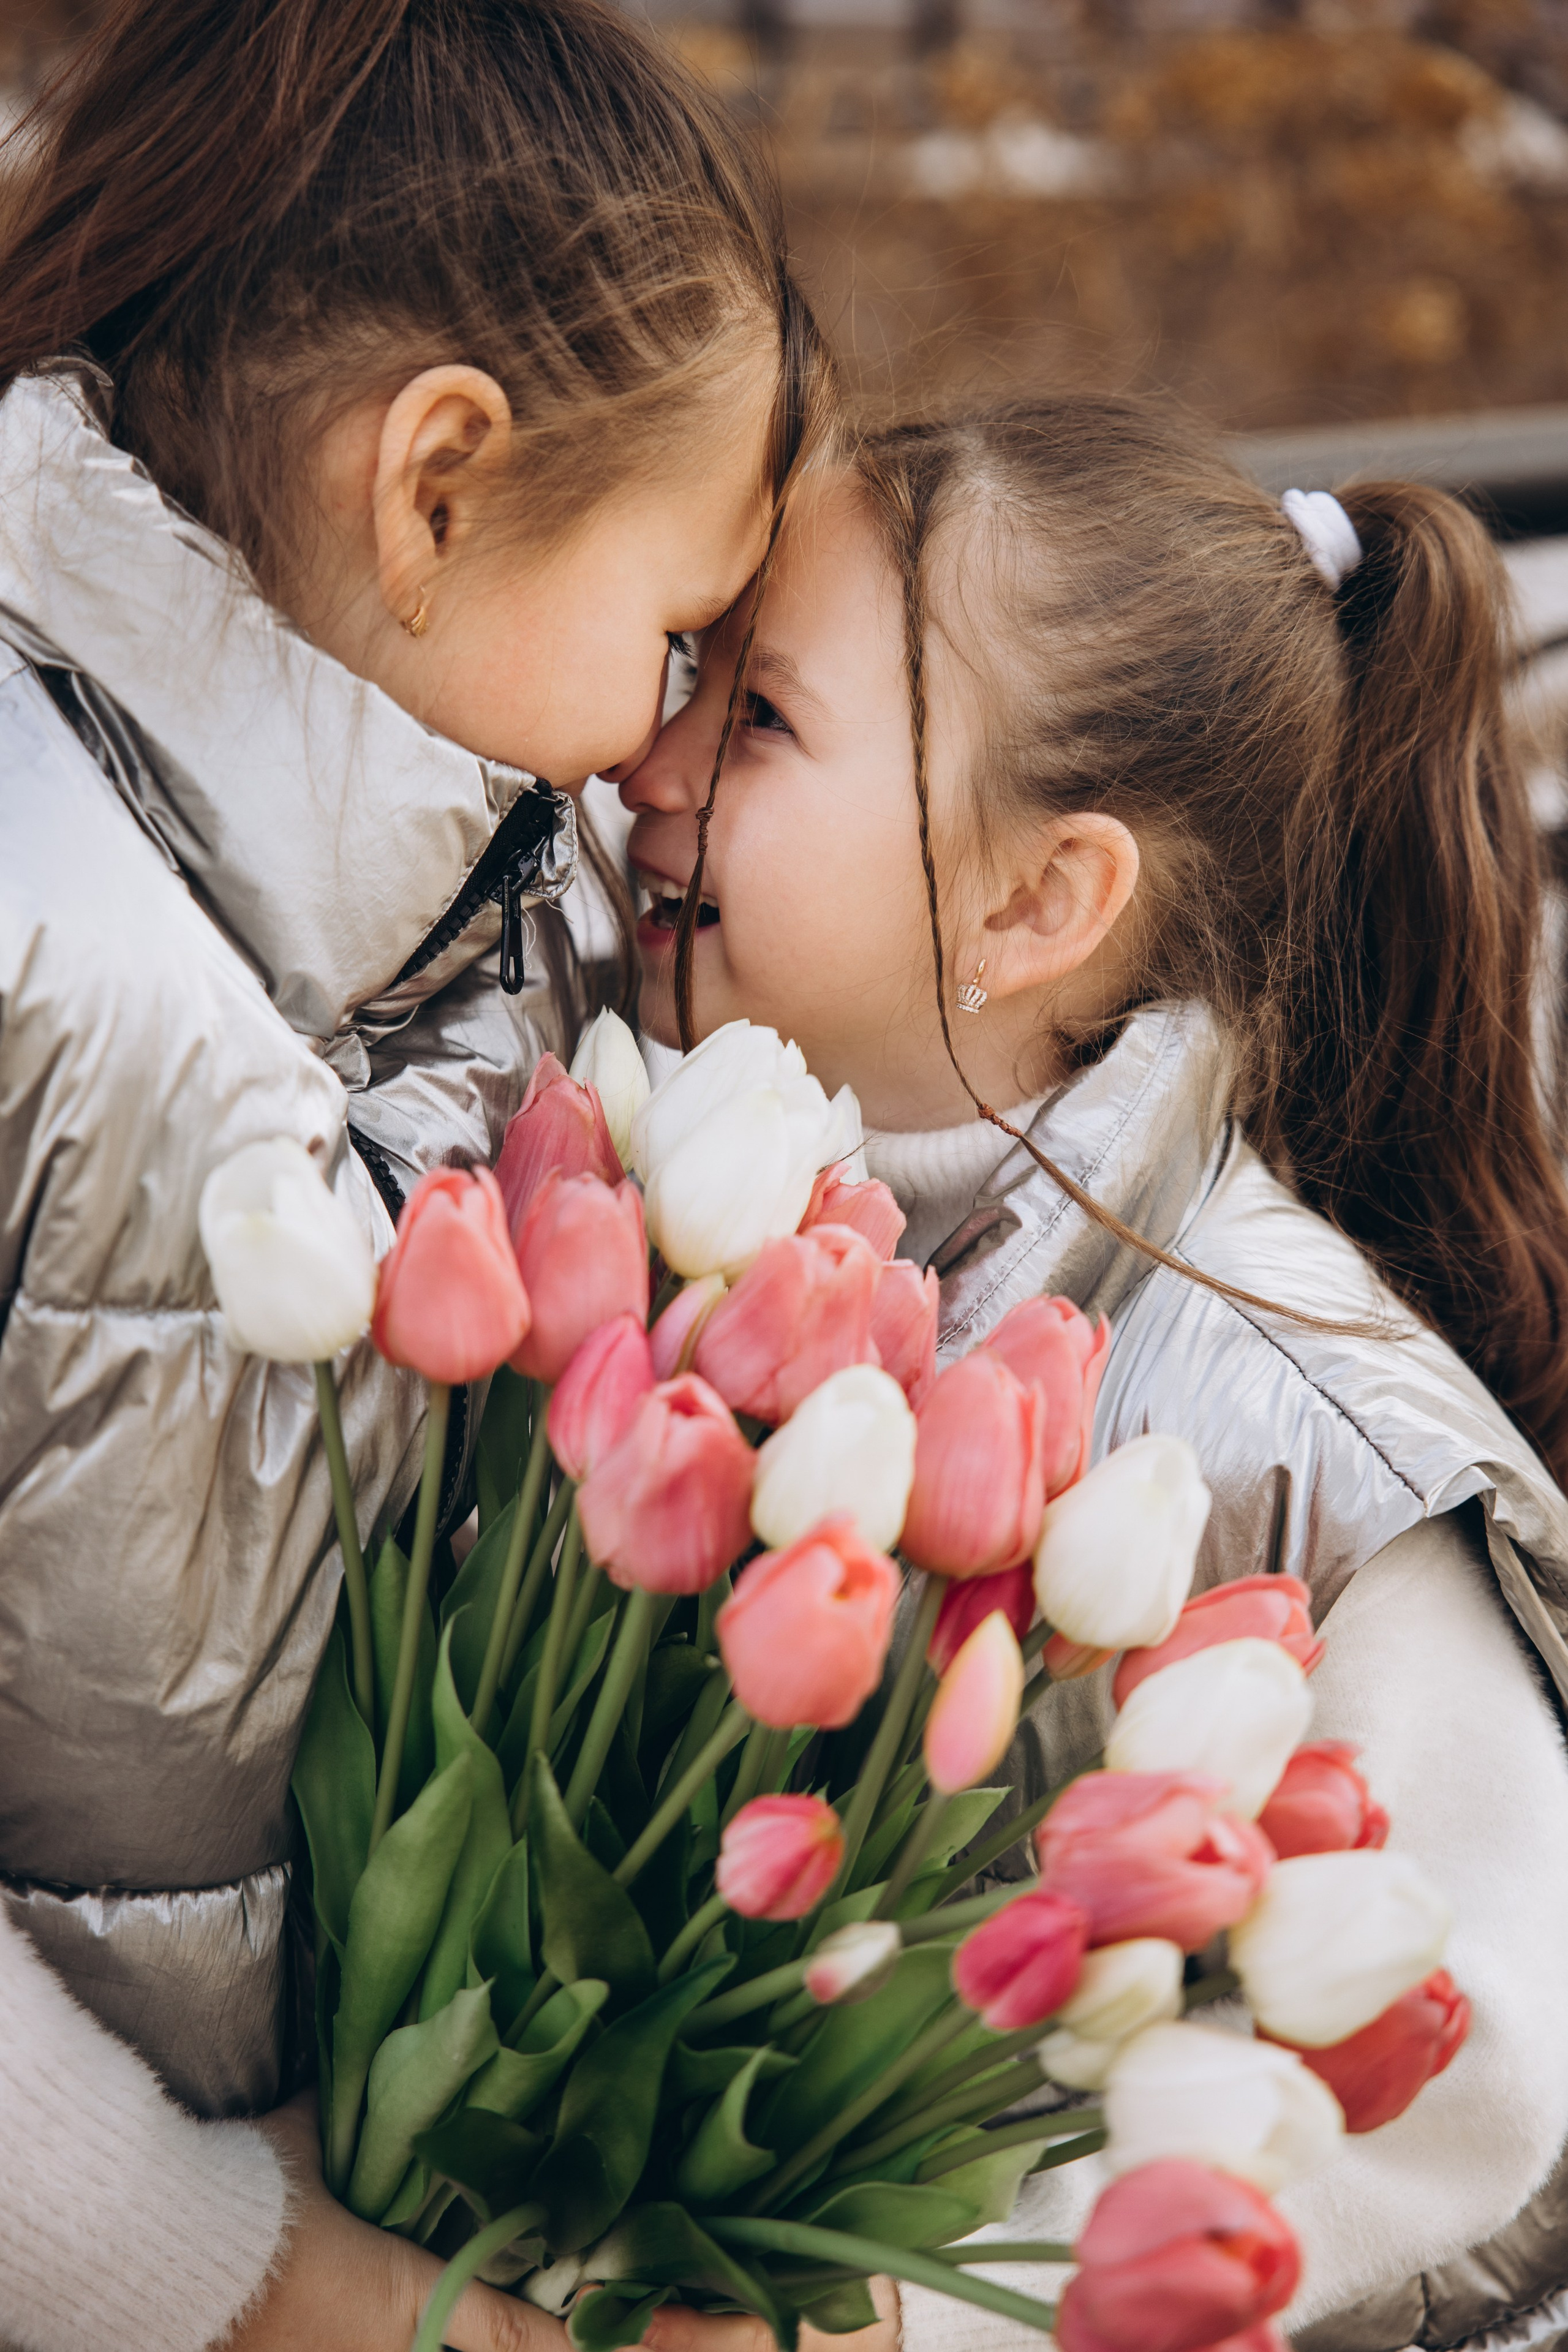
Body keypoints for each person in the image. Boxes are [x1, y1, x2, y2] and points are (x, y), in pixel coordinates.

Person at [0, 0, 835, 2344]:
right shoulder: (53, 931)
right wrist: (270, 2292)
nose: (675, 744)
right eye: (680, 637)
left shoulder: (463, 917)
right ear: (438, 482)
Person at [619, 402, 1568, 2352]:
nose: (656, 757)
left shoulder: (1302, 1429)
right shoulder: (677, 1194)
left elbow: (1488, 2061)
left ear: (1040, 903)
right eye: (689, 669)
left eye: (763, 716)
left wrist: (900, 2320)